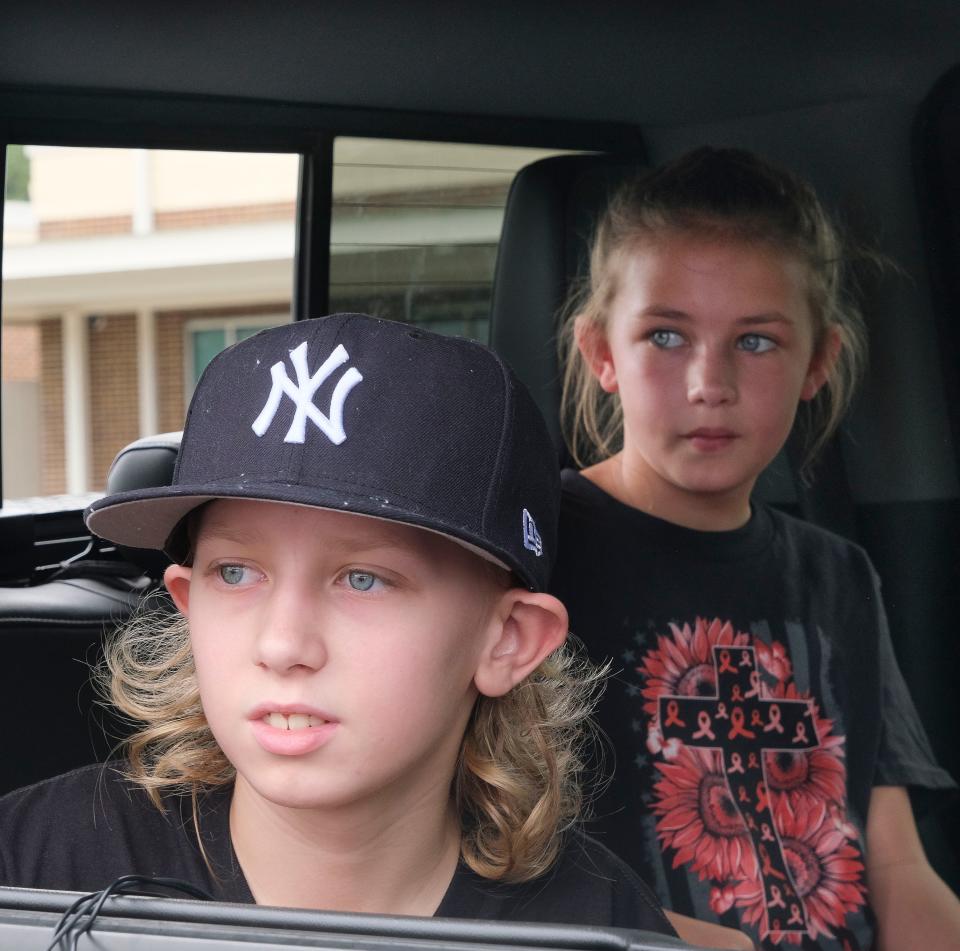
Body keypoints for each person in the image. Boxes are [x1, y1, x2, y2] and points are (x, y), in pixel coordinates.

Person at [0, 313, 675, 935]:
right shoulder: (34, 860)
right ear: (187, 601)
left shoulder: (596, 925)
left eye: (364, 579)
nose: (283, 644)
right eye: (236, 573)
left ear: (508, 639)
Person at [550, 147, 960, 950]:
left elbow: (896, 864)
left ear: (818, 362)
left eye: (758, 342)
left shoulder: (838, 575)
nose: (711, 382)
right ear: (602, 353)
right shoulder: (539, 549)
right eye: (666, 335)